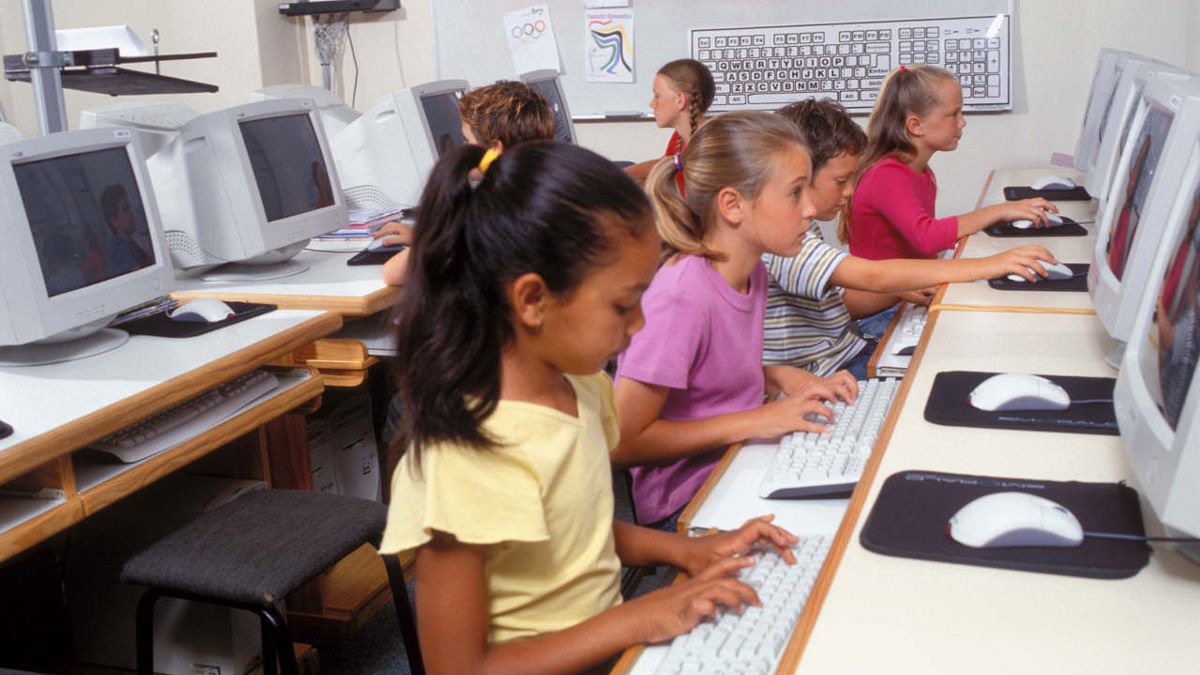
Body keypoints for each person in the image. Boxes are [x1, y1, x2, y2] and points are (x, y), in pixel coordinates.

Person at [380, 140, 801, 673]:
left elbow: (582, 532)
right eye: (623, 305)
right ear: (532, 300)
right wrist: (636, 619)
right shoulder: (466, 454)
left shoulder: (581, 387)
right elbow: (459, 669)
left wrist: (687, 551)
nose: (640, 325)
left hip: (605, 648)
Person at [612, 112, 858, 529]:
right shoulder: (680, 297)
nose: (811, 209)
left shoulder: (752, 271)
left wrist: (780, 376)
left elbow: (706, 380)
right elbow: (620, 442)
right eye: (795, 193)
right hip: (687, 498)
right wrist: (756, 420)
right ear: (733, 205)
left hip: (735, 460)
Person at [765, 99, 1059, 379]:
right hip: (827, 371)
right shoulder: (781, 239)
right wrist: (992, 265)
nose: (852, 190)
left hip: (845, 351)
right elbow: (871, 275)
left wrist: (899, 291)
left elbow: (834, 305)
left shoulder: (802, 228)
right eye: (842, 181)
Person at [845, 65, 1059, 337]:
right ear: (915, 125)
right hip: (879, 313)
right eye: (953, 114)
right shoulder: (887, 175)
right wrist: (999, 212)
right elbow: (928, 237)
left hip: (904, 299)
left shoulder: (919, 171)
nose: (962, 122)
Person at [376, 80, 556, 286]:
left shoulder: (487, 213)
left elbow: (392, 273)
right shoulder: (545, 194)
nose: (460, 148)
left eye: (466, 141)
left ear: (495, 151)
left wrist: (434, 237)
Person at [624, 59, 715, 185]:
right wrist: (619, 175)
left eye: (657, 96)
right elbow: (663, 164)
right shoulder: (679, 137)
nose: (652, 104)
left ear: (680, 100)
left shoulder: (710, 147)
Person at [99, 184, 153, 275]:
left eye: (129, 208)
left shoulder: (130, 242)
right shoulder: (118, 250)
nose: (131, 213)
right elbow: (143, 277)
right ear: (114, 221)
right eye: (125, 209)